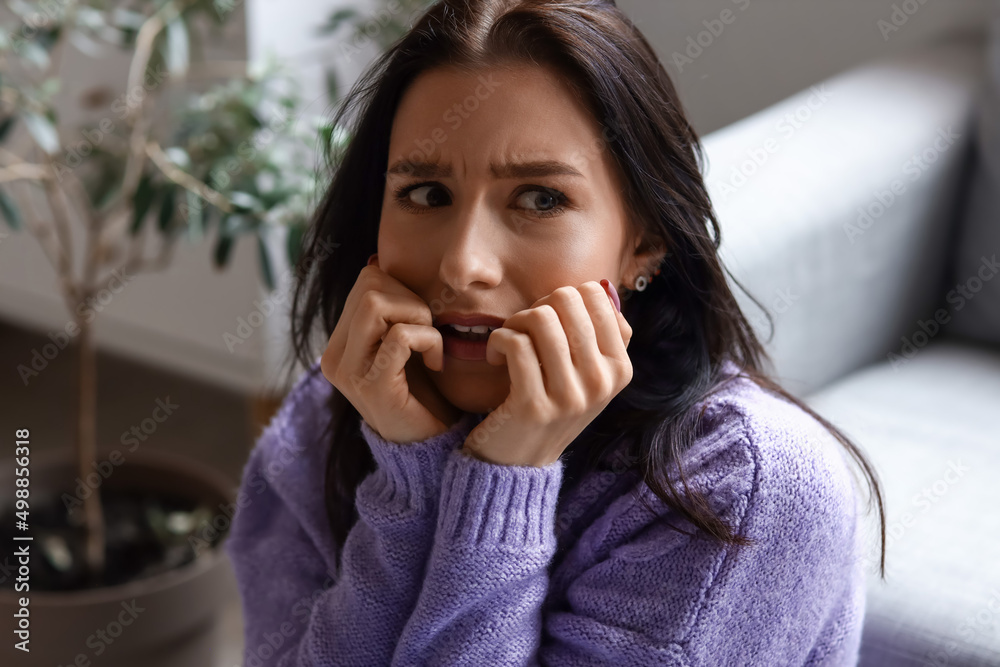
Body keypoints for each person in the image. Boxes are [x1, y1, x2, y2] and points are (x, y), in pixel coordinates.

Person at [224, 1, 887, 664]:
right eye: (426, 193)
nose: (463, 264)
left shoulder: (746, 493)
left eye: (540, 198)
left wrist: (504, 479)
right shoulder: (323, 422)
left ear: (645, 243)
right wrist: (412, 484)